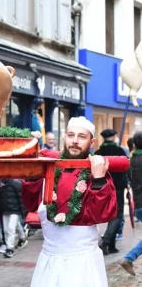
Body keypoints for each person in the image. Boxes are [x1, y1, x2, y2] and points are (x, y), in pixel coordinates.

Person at [22, 116, 117, 287]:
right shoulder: (48, 168)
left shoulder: (97, 171)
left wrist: (99, 179)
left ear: (92, 142)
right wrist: (32, 175)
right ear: (64, 137)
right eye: (70, 135)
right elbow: (29, 205)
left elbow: (102, 214)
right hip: (49, 263)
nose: (75, 141)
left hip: (83, 265)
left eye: (82, 137)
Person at [96, 128, 128, 254]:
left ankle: (112, 245)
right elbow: (126, 167)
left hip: (104, 186)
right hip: (118, 187)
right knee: (117, 215)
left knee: (110, 213)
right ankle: (106, 241)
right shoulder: (120, 150)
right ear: (114, 137)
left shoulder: (98, 152)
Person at [119, 131, 142, 276]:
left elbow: (127, 178)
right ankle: (129, 258)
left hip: (139, 203)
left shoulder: (131, 159)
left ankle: (129, 258)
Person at [0, 179, 27, 258]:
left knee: (11, 228)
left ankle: (10, 249)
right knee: (6, 229)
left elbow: (21, 198)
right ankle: (22, 237)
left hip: (14, 210)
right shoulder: (1, 184)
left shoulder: (15, 184)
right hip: (5, 210)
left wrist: (23, 211)